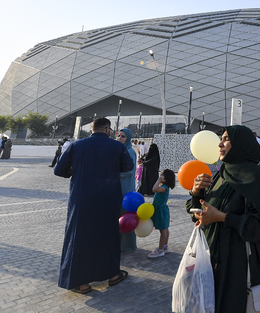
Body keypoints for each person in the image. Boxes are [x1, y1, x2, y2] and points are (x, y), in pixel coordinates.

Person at [187, 126, 260, 313]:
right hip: (213, 259)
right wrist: (196, 194)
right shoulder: (223, 174)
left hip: (238, 265)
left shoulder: (257, 179)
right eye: (221, 138)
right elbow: (204, 210)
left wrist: (222, 217)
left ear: (241, 144)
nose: (220, 143)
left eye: (226, 139)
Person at [54, 118, 133, 293]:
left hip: (82, 199)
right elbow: (128, 166)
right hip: (109, 198)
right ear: (107, 129)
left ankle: (81, 283)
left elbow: (58, 170)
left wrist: (76, 169)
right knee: (108, 236)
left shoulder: (76, 145)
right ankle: (113, 275)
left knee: (79, 237)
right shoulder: (117, 146)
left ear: (92, 129)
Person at [117, 128, 137, 252]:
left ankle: (128, 245)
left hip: (126, 189)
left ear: (128, 138)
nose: (120, 138)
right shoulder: (120, 150)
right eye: (118, 136)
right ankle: (119, 244)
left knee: (125, 218)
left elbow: (129, 171)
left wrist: (113, 173)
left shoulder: (130, 151)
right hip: (118, 187)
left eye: (123, 136)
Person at [148, 169, 175, 258]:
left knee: (163, 230)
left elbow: (154, 189)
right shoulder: (164, 186)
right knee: (165, 229)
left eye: (162, 174)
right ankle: (165, 246)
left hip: (161, 211)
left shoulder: (164, 187)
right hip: (161, 209)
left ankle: (160, 250)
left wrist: (158, 180)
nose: (160, 175)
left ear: (166, 179)